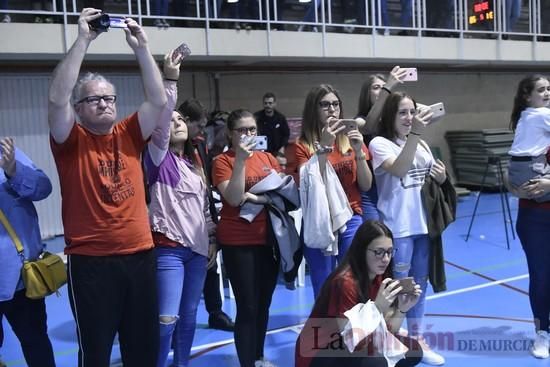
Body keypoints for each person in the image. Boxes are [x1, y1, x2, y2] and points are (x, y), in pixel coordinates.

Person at [47, 8, 167, 366]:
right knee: (96, 352)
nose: (104, 103)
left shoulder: (129, 132)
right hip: (91, 263)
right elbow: (56, 99)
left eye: (109, 98)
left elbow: (158, 101)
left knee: (143, 349)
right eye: (94, 99)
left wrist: (142, 48)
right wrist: (83, 39)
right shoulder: (70, 139)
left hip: (140, 256)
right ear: (79, 109)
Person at [144, 51, 216, 367]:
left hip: (198, 252)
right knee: (166, 320)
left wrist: (212, 240)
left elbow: (203, 209)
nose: (176, 123)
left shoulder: (194, 164)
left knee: (188, 318)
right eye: (172, 120)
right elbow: (160, 119)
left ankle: (182, 364)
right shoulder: (159, 159)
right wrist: (170, 79)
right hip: (169, 250)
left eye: (180, 120)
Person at [368, 92, 446, 365]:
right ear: (390, 115)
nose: (409, 118)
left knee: (418, 286)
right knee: (395, 288)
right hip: (397, 228)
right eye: (402, 112)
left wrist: (442, 175)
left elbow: (426, 176)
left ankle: (417, 339)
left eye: (412, 112)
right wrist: (414, 136)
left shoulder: (420, 142)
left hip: (423, 225)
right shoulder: (379, 144)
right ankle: (388, 339)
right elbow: (399, 170)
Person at [295, 220, 423, 367]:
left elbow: (388, 330)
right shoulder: (344, 283)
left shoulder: (381, 275)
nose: (386, 259)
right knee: (377, 363)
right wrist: (377, 308)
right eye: (378, 252)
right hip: (320, 350)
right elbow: (352, 340)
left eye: (389, 251)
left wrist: (402, 308)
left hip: (357, 341)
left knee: (413, 350)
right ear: (362, 250)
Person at [286, 84, 372, 298]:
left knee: (350, 282)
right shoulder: (301, 146)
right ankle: (325, 331)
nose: (331, 109)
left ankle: (349, 330)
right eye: (324, 105)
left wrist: (359, 151)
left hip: (351, 216)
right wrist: (323, 147)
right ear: (313, 110)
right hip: (319, 218)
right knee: (324, 284)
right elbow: (311, 183)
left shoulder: (350, 139)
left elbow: (365, 185)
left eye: (335, 104)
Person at [212, 109, 282, 367]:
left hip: (268, 239)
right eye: (241, 130)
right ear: (231, 133)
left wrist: (257, 198)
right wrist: (240, 160)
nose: (248, 134)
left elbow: (283, 195)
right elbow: (232, 198)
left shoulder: (269, 159)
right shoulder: (223, 161)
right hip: (238, 241)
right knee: (248, 307)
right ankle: (247, 363)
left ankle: (258, 358)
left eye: (252, 129)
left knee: (263, 305)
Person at [177, 100, 236, 332]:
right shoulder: (166, 148)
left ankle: (215, 312)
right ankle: (177, 322)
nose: (202, 132)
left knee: (211, 266)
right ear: (186, 121)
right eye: (199, 126)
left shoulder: (199, 144)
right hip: (179, 220)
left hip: (204, 213)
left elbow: (207, 182)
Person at [0, 137, 56, 367]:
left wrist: (13, 170)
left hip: (20, 278)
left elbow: (43, 187)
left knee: (36, 345)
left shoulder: (4, 152)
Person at [507, 154, 550, 359]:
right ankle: (542, 332)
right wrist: (516, 189)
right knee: (541, 277)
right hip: (534, 218)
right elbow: (510, 177)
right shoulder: (530, 132)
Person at [355, 66, 408, 221]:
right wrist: (388, 87)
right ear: (367, 93)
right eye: (376, 87)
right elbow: (368, 128)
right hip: (371, 190)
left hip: (392, 186)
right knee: (377, 232)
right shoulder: (360, 120)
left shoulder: (391, 122)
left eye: (383, 87)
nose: (381, 90)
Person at [507, 75, 550, 202]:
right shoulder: (542, 113)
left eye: (549, 88)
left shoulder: (525, 114)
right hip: (532, 166)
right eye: (541, 90)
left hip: (516, 170)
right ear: (527, 97)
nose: (547, 93)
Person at [254, 92, 290, 167]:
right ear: (263, 104)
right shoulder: (256, 117)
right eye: (266, 103)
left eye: (270, 103)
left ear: (274, 104)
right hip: (261, 151)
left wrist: (282, 147)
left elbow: (286, 134)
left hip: (276, 152)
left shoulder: (280, 118)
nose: (268, 105)